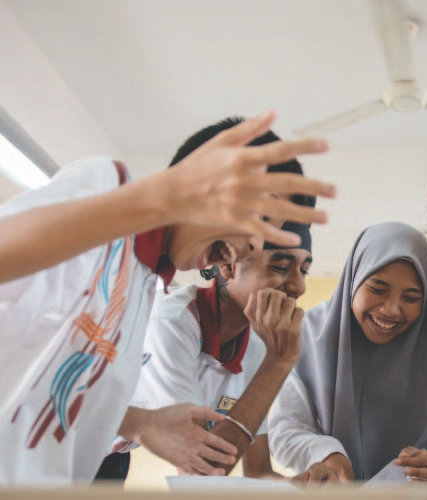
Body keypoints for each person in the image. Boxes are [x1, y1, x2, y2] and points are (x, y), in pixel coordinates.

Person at [0, 112, 335, 485]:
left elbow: (59, 389)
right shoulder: (109, 186)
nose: (248, 248)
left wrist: (141, 423)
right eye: (258, 221)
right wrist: (161, 199)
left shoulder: (143, 289)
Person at [96, 118, 334, 483]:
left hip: (102, 450)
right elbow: (202, 471)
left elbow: (256, 472)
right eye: (280, 265)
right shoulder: (167, 314)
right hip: (80, 447)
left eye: (304, 269)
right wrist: (280, 361)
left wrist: (299, 485)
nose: (299, 286)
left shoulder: (154, 280)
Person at [267, 222, 427, 482]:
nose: (390, 310)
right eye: (377, 289)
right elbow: (284, 431)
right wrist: (327, 453)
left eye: (410, 298)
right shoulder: (305, 335)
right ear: (354, 278)